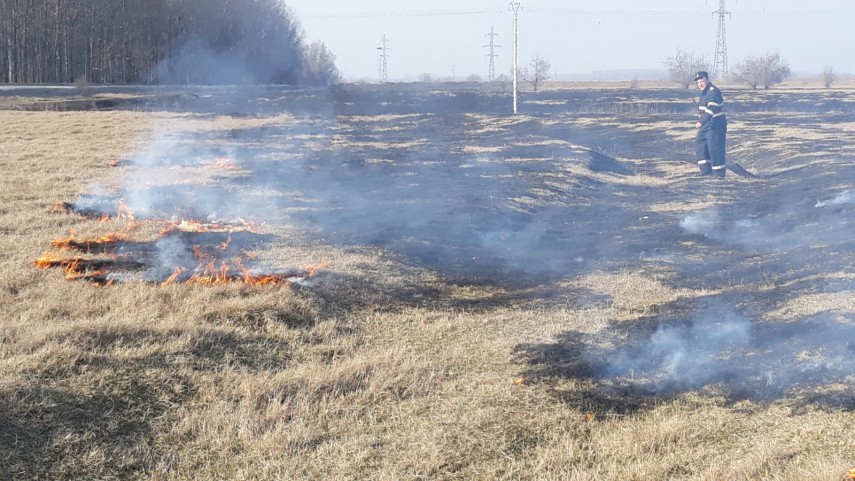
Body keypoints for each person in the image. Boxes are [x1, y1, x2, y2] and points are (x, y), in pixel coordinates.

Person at [694, 71, 728, 178]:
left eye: (702, 81)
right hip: (706, 126)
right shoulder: (703, 93)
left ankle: (719, 175)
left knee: (715, 150)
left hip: (716, 125)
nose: (700, 84)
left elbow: (712, 108)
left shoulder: (713, 91)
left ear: (707, 80)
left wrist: (701, 122)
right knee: (701, 146)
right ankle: (706, 174)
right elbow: (702, 110)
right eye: (698, 82)